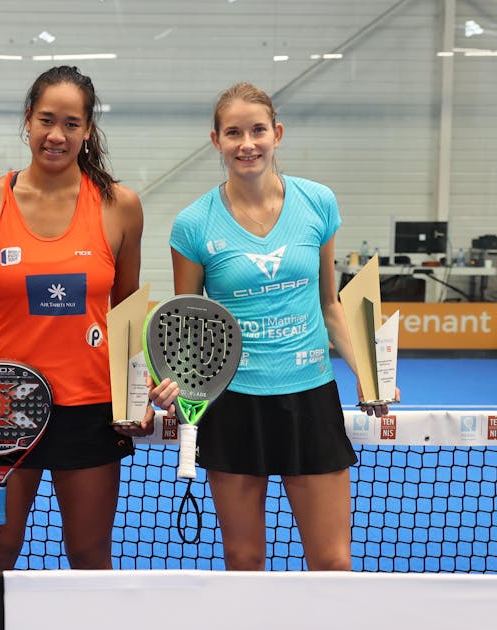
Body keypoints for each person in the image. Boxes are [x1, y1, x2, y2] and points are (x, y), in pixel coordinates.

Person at [0, 66, 151, 630]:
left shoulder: (120, 206)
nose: (56, 135)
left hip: (90, 410)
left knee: (89, 558)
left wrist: (134, 397)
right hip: (0, 410)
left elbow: (127, 310)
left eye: (71, 123)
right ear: (28, 122)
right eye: (46, 120)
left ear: (88, 130)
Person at [168, 82, 396, 571]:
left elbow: (330, 305)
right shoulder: (192, 224)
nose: (246, 143)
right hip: (231, 404)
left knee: (332, 561)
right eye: (233, 133)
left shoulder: (318, 203)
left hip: (309, 396)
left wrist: (368, 373)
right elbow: (187, 323)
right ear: (216, 141)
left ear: (278, 134)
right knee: (245, 560)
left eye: (257, 130)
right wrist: (170, 384)